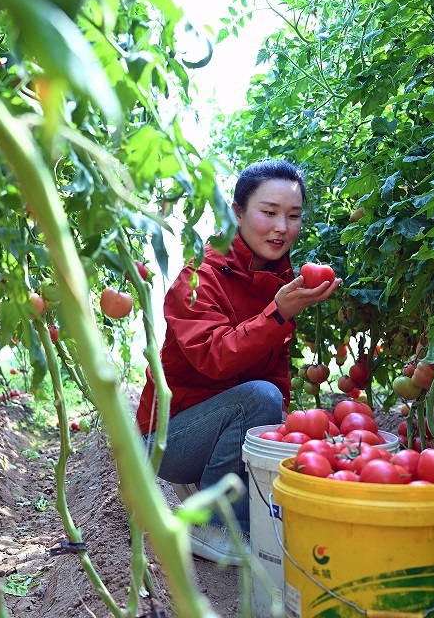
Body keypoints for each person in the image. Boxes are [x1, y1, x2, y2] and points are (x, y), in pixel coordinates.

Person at [136, 158, 341, 565]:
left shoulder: (283, 282)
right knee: (259, 398)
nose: (282, 228)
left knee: (270, 404)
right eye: (269, 213)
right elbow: (213, 359)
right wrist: (277, 315)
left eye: (293, 216)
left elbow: (274, 371)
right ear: (237, 214)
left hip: (223, 425)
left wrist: (289, 433)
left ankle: (236, 514)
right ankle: (210, 525)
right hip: (169, 439)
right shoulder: (199, 277)